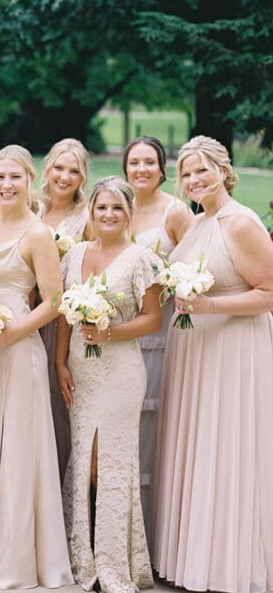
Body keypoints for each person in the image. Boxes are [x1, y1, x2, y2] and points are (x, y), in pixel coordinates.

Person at [151, 136, 273, 593]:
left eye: (202, 170)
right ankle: (190, 558)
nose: (194, 180)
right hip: (194, 351)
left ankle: (230, 566)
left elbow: (269, 292)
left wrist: (210, 307)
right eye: (186, 173)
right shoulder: (198, 222)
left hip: (232, 351)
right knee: (198, 446)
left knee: (227, 449)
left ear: (224, 170)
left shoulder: (240, 222)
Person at [0, 145, 73, 589]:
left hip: (17, 347)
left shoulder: (37, 233)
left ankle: (17, 558)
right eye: (0, 177)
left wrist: (10, 334)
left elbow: (54, 300)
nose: (7, 185)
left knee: (18, 451)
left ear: (31, 181)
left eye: (16, 177)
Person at [55, 177, 162, 593]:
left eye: (117, 208)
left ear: (128, 212)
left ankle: (116, 562)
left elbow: (152, 319)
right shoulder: (76, 253)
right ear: (92, 212)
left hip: (120, 371)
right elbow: (65, 314)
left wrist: (110, 334)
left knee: (109, 464)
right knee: (83, 459)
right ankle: (81, 556)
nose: (109, 215)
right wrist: (60, 361)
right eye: (101, 208)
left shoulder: (142, 260)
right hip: (81, 368)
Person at [120, 136, 191, 530]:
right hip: (124, 329)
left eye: (150, 162)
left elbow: (198, 266)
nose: (142, 169)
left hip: (161, 333)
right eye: (135, 162)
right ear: (125, 168)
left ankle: (156, 528)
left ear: (163, 169)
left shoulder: (176, 212)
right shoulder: (120, 208)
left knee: (155, 421)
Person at [37, 138, 91, 481]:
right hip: (28, 318)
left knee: (60, 410)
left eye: (73, 171)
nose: (64, 176)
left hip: (62, 326)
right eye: (58, 167)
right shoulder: (31, 209)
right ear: (47, 169)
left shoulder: (86, 218)